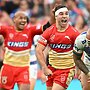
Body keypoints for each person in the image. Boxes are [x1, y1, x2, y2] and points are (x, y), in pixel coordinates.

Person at [0, 10, 54, 90]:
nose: (23, 20)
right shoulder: (6, 30)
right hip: (8, 68)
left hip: (23, 69)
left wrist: (53, 15)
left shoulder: (30, 31)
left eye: (25, 18)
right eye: (21, 18)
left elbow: (47, 26)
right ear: (14, 19)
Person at [36, 4, 79, 90]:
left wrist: (80, 70)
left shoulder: (74, 33)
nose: (64, 16)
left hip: (66, 70)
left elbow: (82, 50)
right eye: (61, 14)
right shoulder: (49, 31)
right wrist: (44, 68)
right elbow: (39, 49)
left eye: (66, 13)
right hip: (51, 68)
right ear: (56, 17)